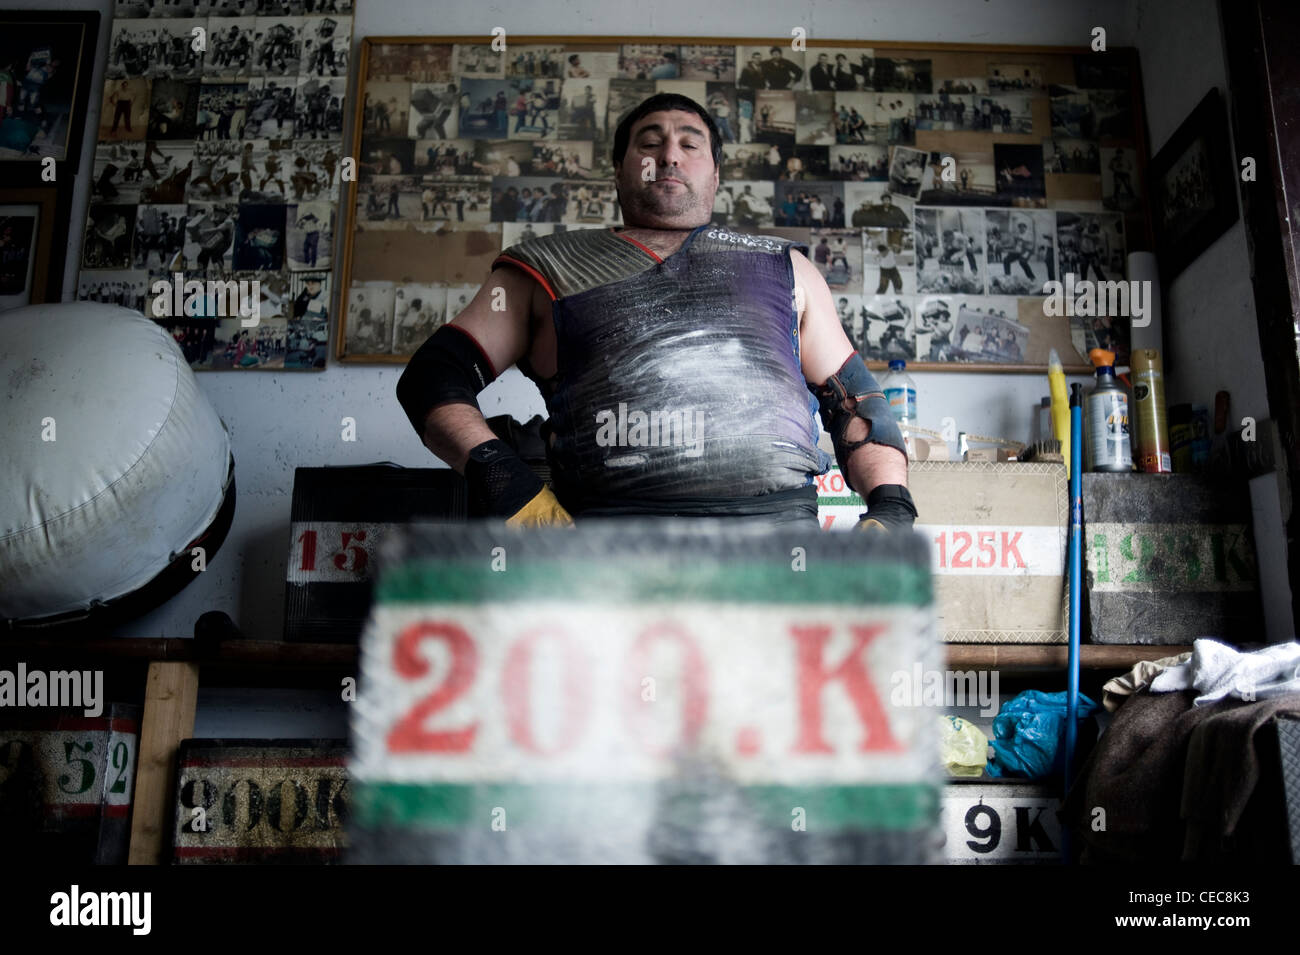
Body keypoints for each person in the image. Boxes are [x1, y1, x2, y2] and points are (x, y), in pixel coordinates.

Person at [396, 93, 915, 533]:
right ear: (619, 170)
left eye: (690, 144)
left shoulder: (787, 268)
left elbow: (856, 403)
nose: (669, 155)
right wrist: (506, 487)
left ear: (716, 175)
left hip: (775, 552)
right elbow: (432, 380)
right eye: (649, 143)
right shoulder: (543, 267)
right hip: (604, 552)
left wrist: (891, 507)